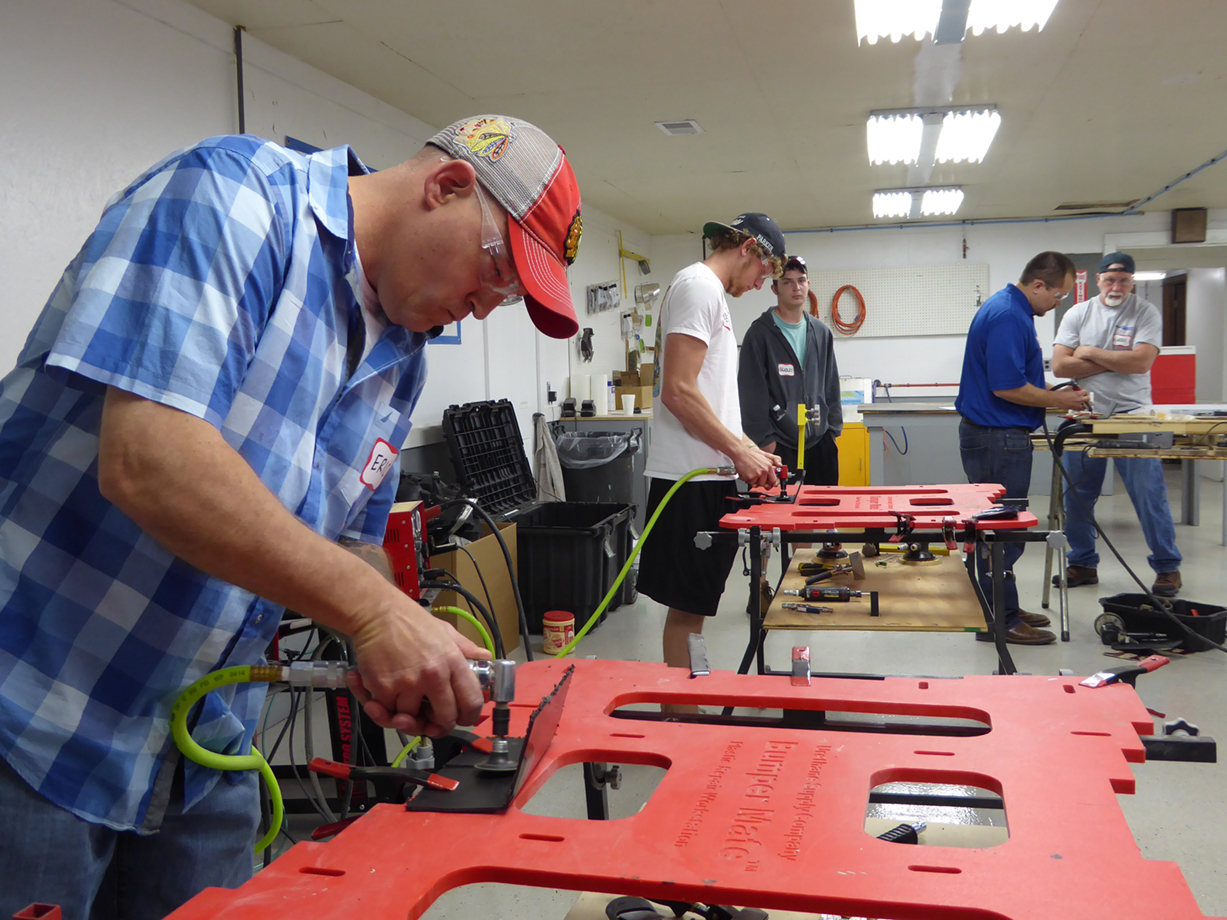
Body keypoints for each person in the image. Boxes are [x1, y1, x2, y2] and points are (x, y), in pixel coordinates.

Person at [0, 114, 583, 917]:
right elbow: (150, 460)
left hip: (200, 755)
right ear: (445, 188)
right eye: (496, 272)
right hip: (33, 723)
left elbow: (348, 546)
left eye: (508, 298)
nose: (484, 308)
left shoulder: (397, 358)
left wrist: (403, 639)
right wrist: (374, 615)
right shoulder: (234, 198)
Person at [636, 214, 783, 684]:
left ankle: (686, 703)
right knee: (686, 611)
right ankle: (681, 715)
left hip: (707, 477)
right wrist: (740, 454)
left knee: (693, 609)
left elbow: (707, 396)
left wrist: (747, 450)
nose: (762, 284)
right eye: (765, 271)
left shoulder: (710, 294)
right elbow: (678, 392)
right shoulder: (699, 286)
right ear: (746, 249)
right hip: (689, 480)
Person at [955, 251, 1091, 645]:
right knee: (1001, 533)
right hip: (997, 438)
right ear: (1037, 286)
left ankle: (1003, 606)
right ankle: (1000, 618)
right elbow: (1007, 387)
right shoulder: (1008, 317)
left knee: (999, 529)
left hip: (997, 436)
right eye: (1058, 294)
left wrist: (1055, 393)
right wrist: (1059, 401)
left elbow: (1016, 378)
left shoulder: (1010, 309)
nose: (1058, 302)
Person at [1052, 251, 1182, 597]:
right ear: (1098, 280)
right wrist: (1115, 362)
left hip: (1133, 415)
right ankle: (1082, 562)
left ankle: (1168, 568)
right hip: (1086, 415)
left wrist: (1090, 351)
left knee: (1149, 494)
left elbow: (1141, 363)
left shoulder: (1145, 312)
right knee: (1077, 496)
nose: (1116, 286)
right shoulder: (1078, 313)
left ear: (1132, 282)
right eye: (1109, 279)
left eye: (1123, 280)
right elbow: (1061, 367)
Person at [737, 254, 843, 613]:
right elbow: (750, 391)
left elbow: (831, 383)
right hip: (777, 443)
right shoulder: (760, 334)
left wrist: (833, 429)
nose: (797, 287)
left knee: (819, 516)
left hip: (818, 439)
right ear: (775, 287)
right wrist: (763, 441)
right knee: (768, 519)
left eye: (802, 280)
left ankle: (805, 585)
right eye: (788, 281)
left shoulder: (821, 332)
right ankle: (761, 587)